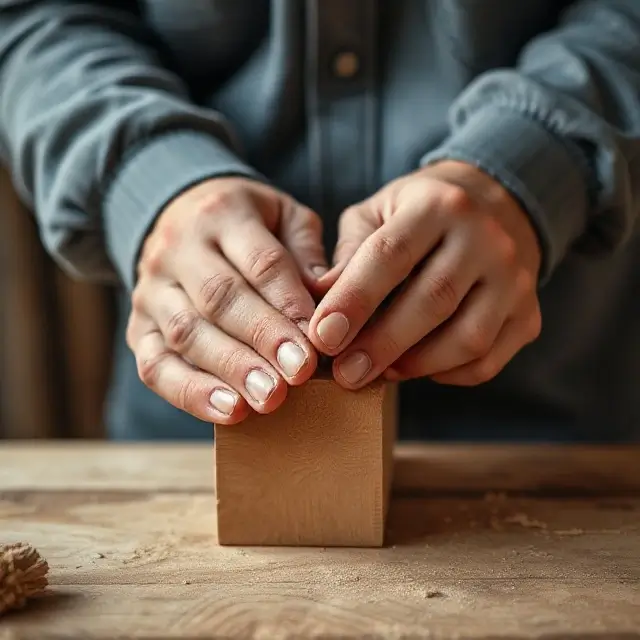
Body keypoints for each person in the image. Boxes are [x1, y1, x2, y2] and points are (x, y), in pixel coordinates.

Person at [0, 1, 639, 442]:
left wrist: (533, 165)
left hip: (560, 426)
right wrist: (152, 180)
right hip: (188, 432)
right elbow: (32, 18)